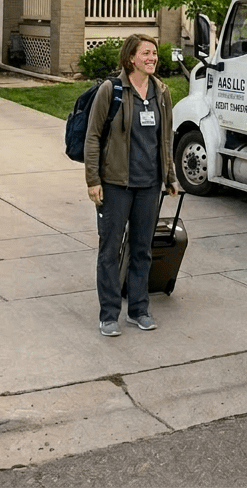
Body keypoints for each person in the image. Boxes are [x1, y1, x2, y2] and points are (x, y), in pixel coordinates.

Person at [86, 34, 179, 336]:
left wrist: (170, 176)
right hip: (115, 184)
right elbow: (93, 137)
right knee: (110, 250)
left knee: (142, 250)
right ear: (130, 59)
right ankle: (109, 314)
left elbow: (165, 137)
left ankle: (138, 309)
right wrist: (93, 179)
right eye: (146, 54)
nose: (152, 58)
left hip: (149, 185)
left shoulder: (161, 92)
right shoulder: (110, 90)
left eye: (154, 53)